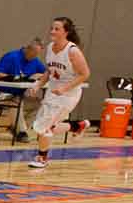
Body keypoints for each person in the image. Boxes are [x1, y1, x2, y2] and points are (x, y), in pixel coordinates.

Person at [25, 16, 90, 170]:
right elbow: (49, 70)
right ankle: (77, 126)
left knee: (43, 127)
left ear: (66, 32)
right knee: (47, 126)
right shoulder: (50, 47)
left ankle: (42, 158)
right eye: (52, 28)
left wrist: (65, 88)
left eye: (57, 29)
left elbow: (85, 74)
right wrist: (38, 84)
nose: (52, 31)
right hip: (52, 92)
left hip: (68, 94)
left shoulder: (72, 51)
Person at [0, 36, 45, 139]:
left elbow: (46, 73)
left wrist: (39, 76)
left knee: (42, 104)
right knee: (15, 100)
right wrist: (14, 77)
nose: (34, 57)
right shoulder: (12, 57)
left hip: (20, 95)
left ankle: (17, 128)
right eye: (33, 54)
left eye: (37, 55)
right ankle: (21, 133)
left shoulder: (35, 61)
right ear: (27, 49)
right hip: (0, 94)